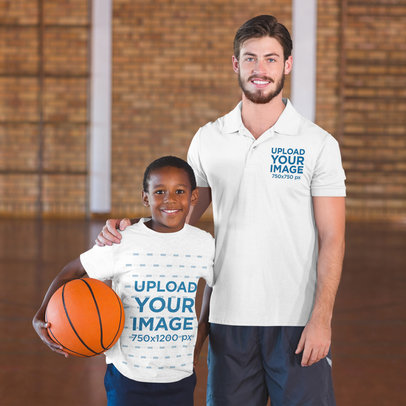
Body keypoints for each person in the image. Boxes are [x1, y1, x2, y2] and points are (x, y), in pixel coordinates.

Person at [96, 15, 346, 406]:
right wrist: (127, 232)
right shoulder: (209, 139)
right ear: (235, 64)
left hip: (297, 323)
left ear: (288, 64)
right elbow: (177, 218)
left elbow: (333, 238)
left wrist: (322, 318)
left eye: (270, 59)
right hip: (228, 320)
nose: (259, 70)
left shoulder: (318, 144)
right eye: (250, 59)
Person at [33, 156, 215, 406]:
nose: (170, 199)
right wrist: (40, 315)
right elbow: (72, 271)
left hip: (179, 375)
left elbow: (218, 286)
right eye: (159, 191)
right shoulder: (123, 241)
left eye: (179, 191)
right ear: (145, 197)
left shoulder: (204, 244)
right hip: (127, 375)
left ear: (193, 197)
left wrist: (202, 331)